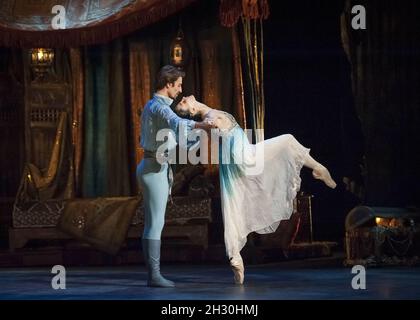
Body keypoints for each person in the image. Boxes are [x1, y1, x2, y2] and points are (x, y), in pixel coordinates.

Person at [173, 95, 337, 285]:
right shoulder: (208, 118)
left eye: (182, 100)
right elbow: (213, 127)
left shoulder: (209, 112)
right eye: (183, 103)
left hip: (237, 158)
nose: (184, 97)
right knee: (288, 141)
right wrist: (213, 126)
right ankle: (319, 168)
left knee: (233, 207)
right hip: (244, 158)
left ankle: (235, 257)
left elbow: (216, 136)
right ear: (192, 110)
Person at [137, 66, 214, 287]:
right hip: (153, 169)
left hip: (155, 167)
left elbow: (177, 137)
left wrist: (200, 135)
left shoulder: (158, 107)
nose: (180, 89)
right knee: (155, 223)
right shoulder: (159, 108)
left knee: (154, 222)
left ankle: (154, 275)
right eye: (178, 85)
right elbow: (177, 124)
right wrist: (203, 125)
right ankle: (154, 276)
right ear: (168, 84)